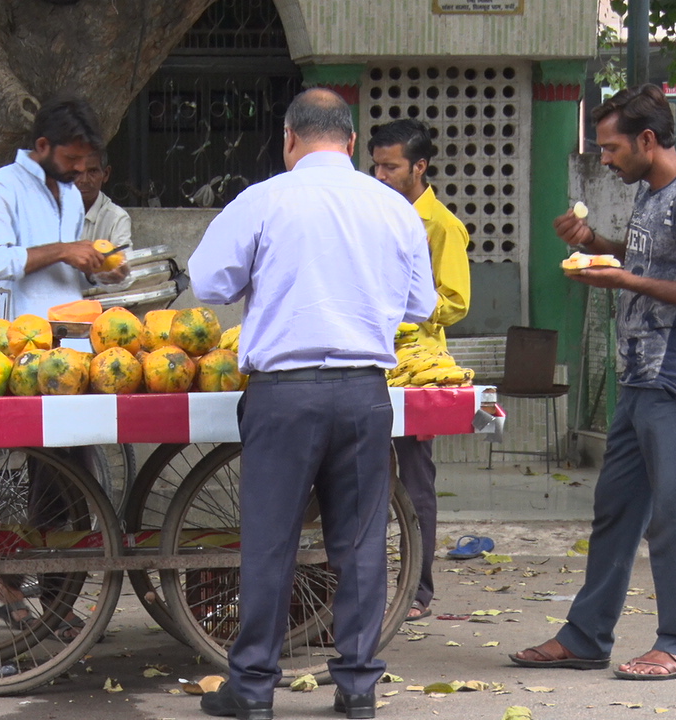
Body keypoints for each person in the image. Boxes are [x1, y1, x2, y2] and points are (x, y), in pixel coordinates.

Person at [188, 88, 438, 720]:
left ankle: (252, 690)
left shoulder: (265, 199)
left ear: (289, 139)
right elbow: (420, 307)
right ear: (352, 144)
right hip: (363, 392)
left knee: (269, 543)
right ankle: (357, 687)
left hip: (284, 395)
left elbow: (209, 281)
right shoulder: (394, 208)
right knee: (358, 545)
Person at [510, 84, 676, 680]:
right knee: (616, 509)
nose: (604, 160)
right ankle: (586, 636)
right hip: (639, 375)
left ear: (648, 140)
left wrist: (624, 283)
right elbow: (649, 265)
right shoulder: (652, 195)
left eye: (610, 149)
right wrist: (596, 249)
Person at [367, 118, 472, 621]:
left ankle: (418, 589)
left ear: (420, 167)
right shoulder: (369, 215)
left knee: (414, 479)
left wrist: (405, 305)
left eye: (391, 166)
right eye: (376, 166)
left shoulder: (443, 226)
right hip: (367, 358)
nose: (381, 175)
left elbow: (456, 302)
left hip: (416, 363)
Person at [0, 96, 127, 321]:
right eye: (72, 158)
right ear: (43, 146)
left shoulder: (71, 193)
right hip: (24, 339)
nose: (81, 168)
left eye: (84, 159)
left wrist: (98, 272)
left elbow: (65, 275)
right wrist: (62, 250)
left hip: (75, 337)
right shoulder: (5, 186)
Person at [76, 150, 133, 249]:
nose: (84, 180)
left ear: (105, 174)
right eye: (77, 172)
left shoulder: (117, 218)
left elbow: (122, 261)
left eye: (92, 171)